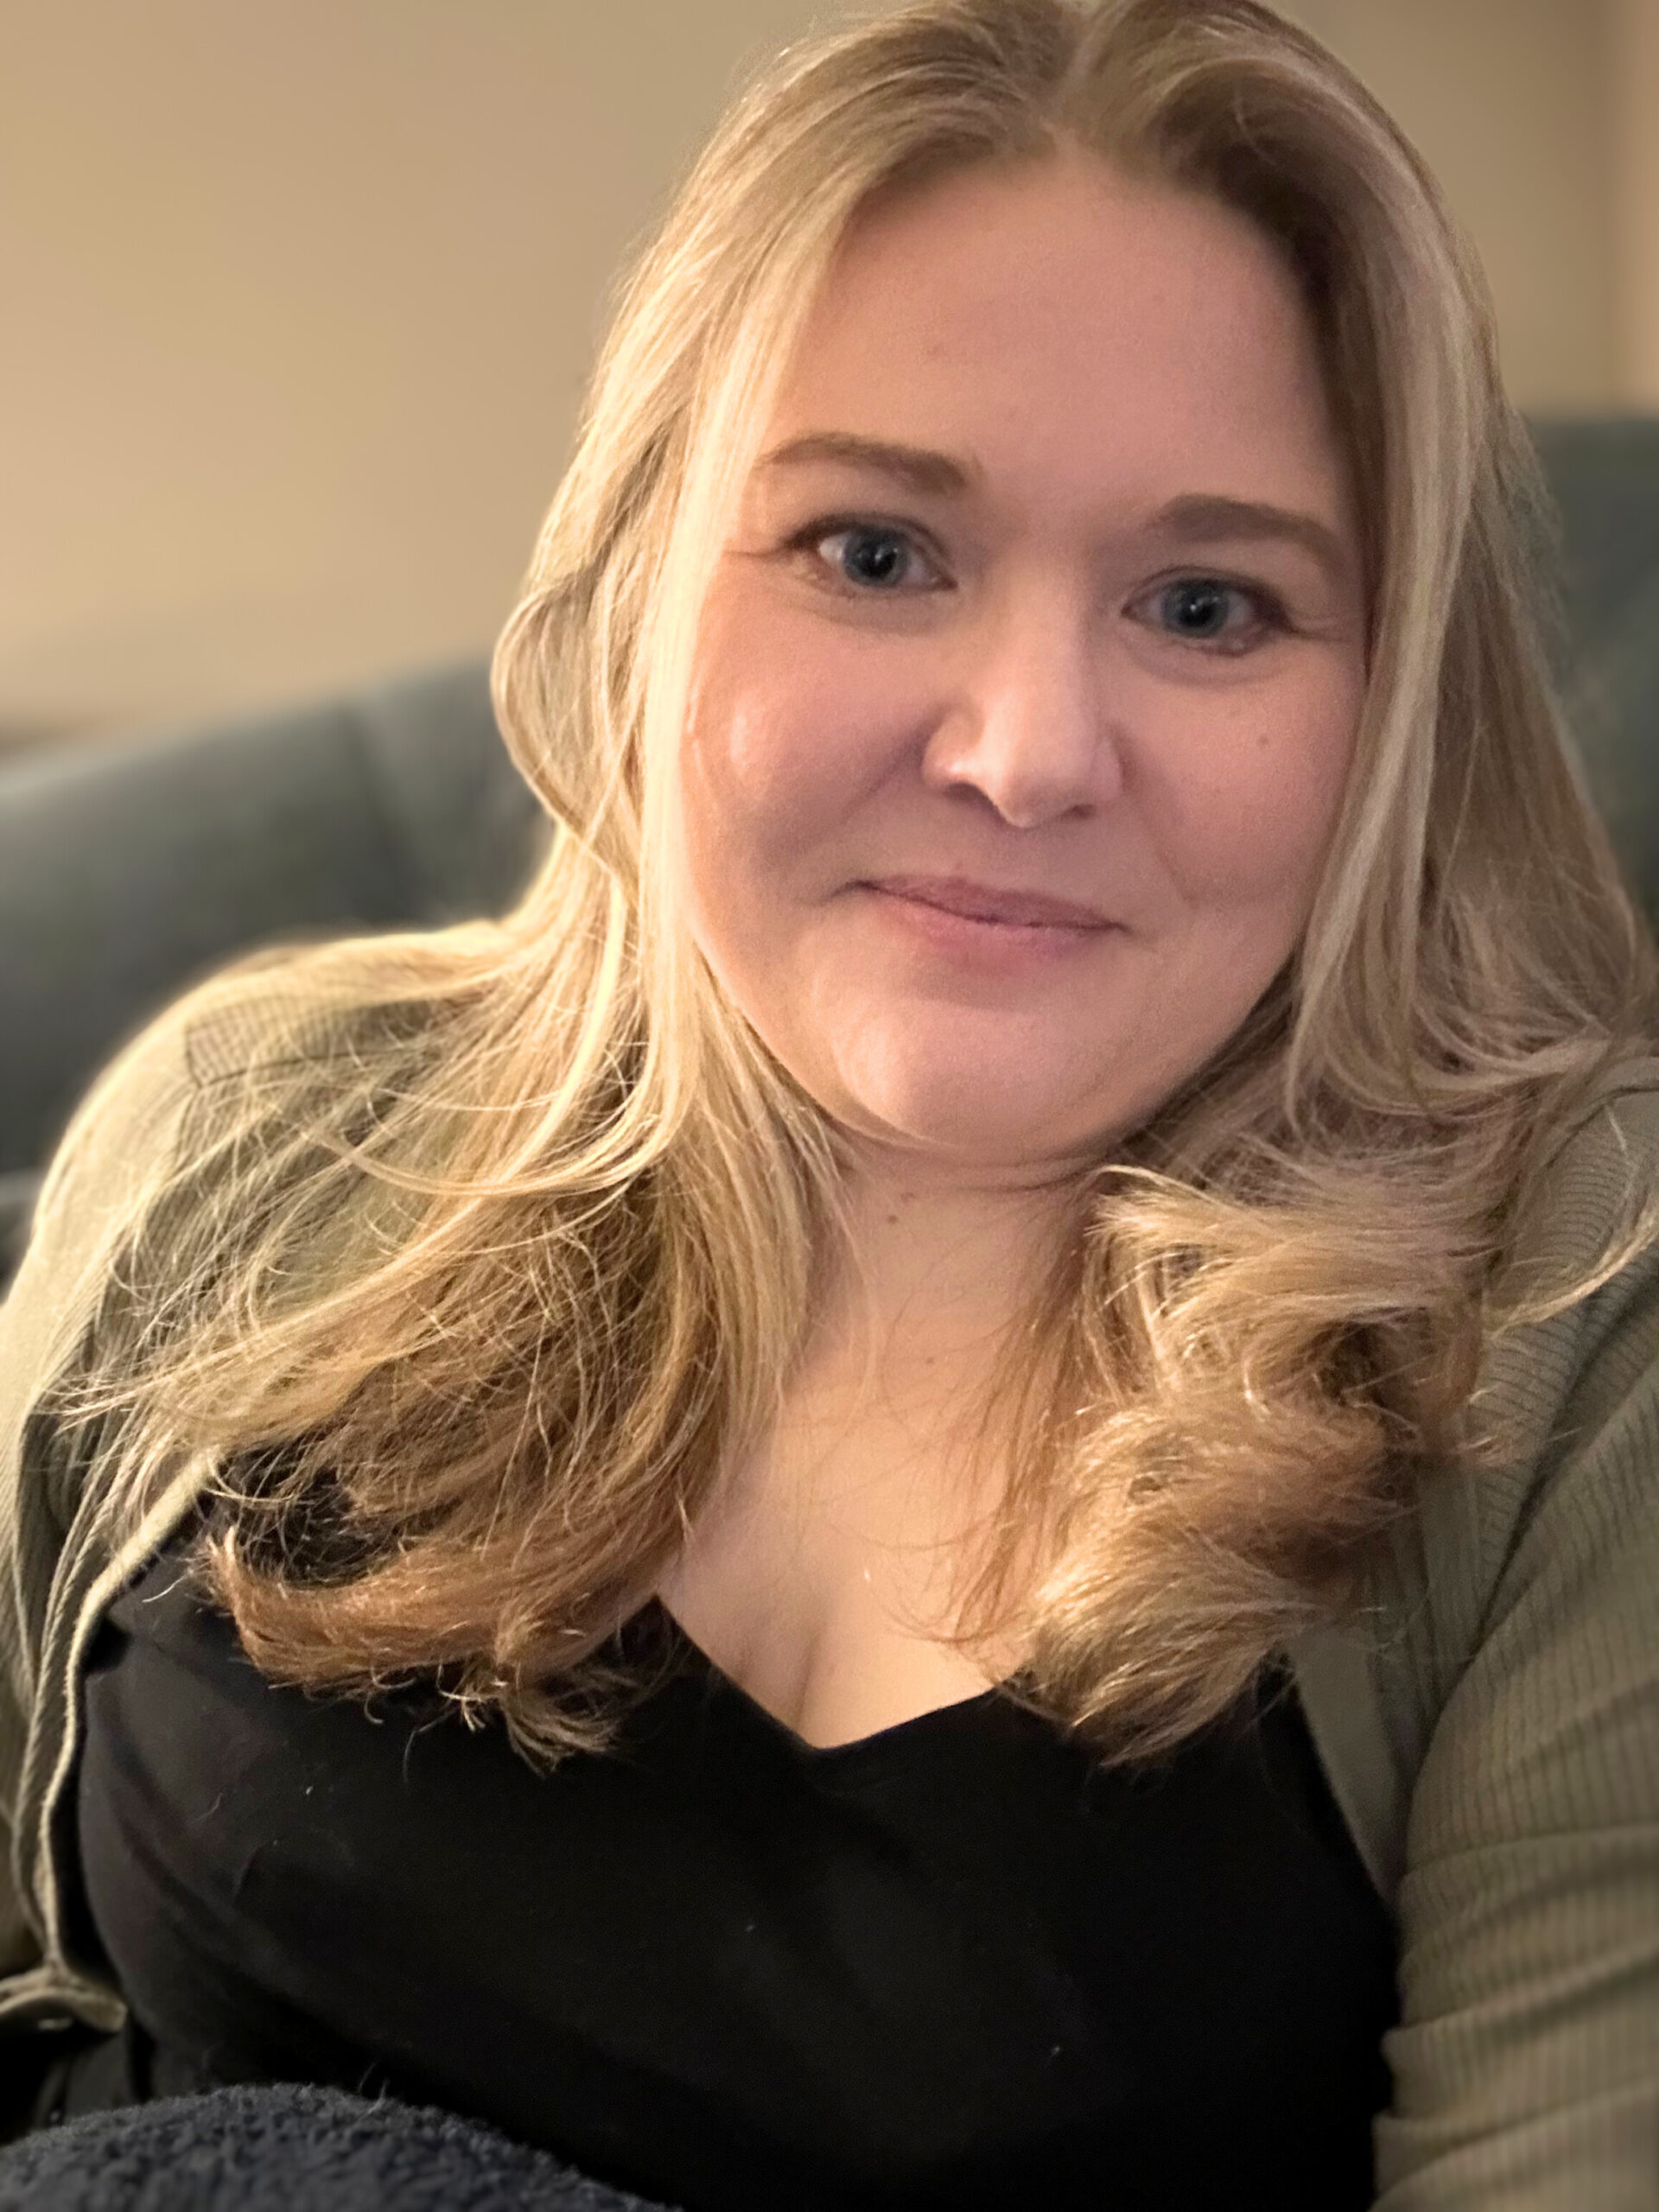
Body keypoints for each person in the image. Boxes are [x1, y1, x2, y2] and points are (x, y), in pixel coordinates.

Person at [2, 0, 1657, 2204]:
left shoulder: (1575, 1319)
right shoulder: (246, 1128)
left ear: (1395, 710)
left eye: (1207, 601)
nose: (1025, 750)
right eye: (878, 552)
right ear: (645, 574)